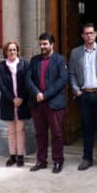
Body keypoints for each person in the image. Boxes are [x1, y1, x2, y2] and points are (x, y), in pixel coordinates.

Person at [68, 23, 97, 173]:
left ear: (95, 34)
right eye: (86, 33)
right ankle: (87, 158)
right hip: (84, 95)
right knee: (87, 128)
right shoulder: (75, 53)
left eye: (91, 33)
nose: (89, 35)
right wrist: (76, 90)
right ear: (82, 36)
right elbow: (72, 74)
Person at [26, 32, 68, 172]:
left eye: (45, 44)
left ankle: (57, 161)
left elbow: (62, 81)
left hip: (54, 104)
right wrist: (37, 93)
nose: (42, 46)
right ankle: (41, 161)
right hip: (37, 104)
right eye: (41, 44)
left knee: (57, 134)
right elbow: (28, 79)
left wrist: (45, 95)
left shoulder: (60, 60)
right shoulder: (34, 60)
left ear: (52, 44)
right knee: (40, 134)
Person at [0, 41, 31, 168]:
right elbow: (1, 85)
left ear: (18, 51)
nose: (12, 52)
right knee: (11, 130)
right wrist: (12, 99)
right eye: (9, 50)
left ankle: (21, 156)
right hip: (8, 102)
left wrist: (21, 97)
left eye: (14, 50)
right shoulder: (1, 66)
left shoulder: (24, 64)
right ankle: (12, 156)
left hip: (22, 101)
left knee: (20, 129)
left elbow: (27, 82)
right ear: (6, 52)